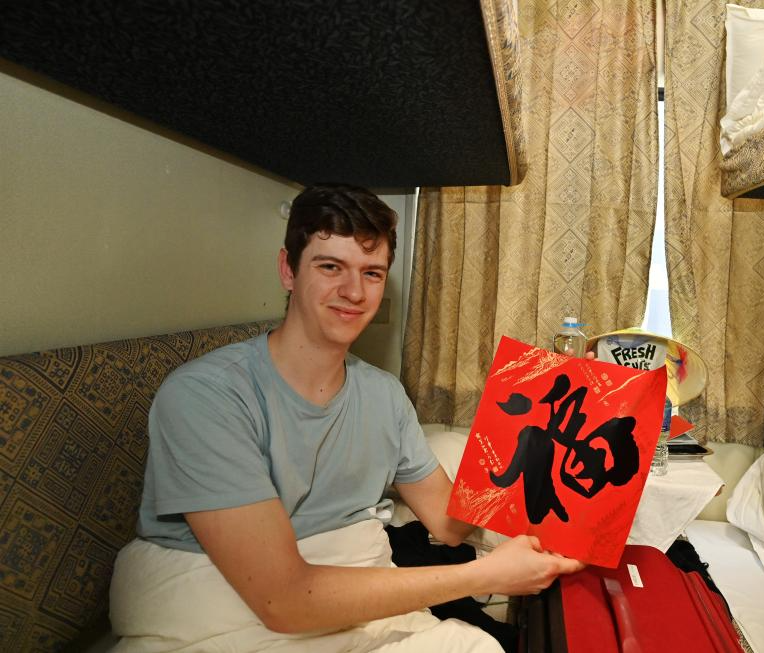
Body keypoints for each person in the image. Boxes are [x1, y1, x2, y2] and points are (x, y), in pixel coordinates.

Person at [109, 184, 584, 651]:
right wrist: (484, 575)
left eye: (372, 273)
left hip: (353, 599)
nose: (354, 291)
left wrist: (526, 449)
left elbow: (448, 525)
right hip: (233, 613)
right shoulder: (206, 395)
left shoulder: (383, 395)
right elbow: (283, 600)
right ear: (288, 270)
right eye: (330, 267)